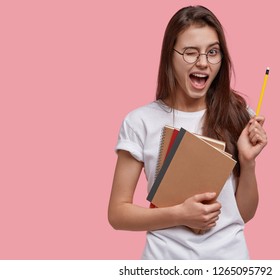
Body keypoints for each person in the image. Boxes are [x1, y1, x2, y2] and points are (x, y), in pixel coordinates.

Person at [108, 5, 267, 259]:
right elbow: (117, 214)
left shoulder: (238, 114)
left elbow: (243, 215)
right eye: (190, 53)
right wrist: (180, 214)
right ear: (170, 56)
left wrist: (248, 163)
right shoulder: (140, 121)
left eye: (212, 52)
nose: (203, 63)